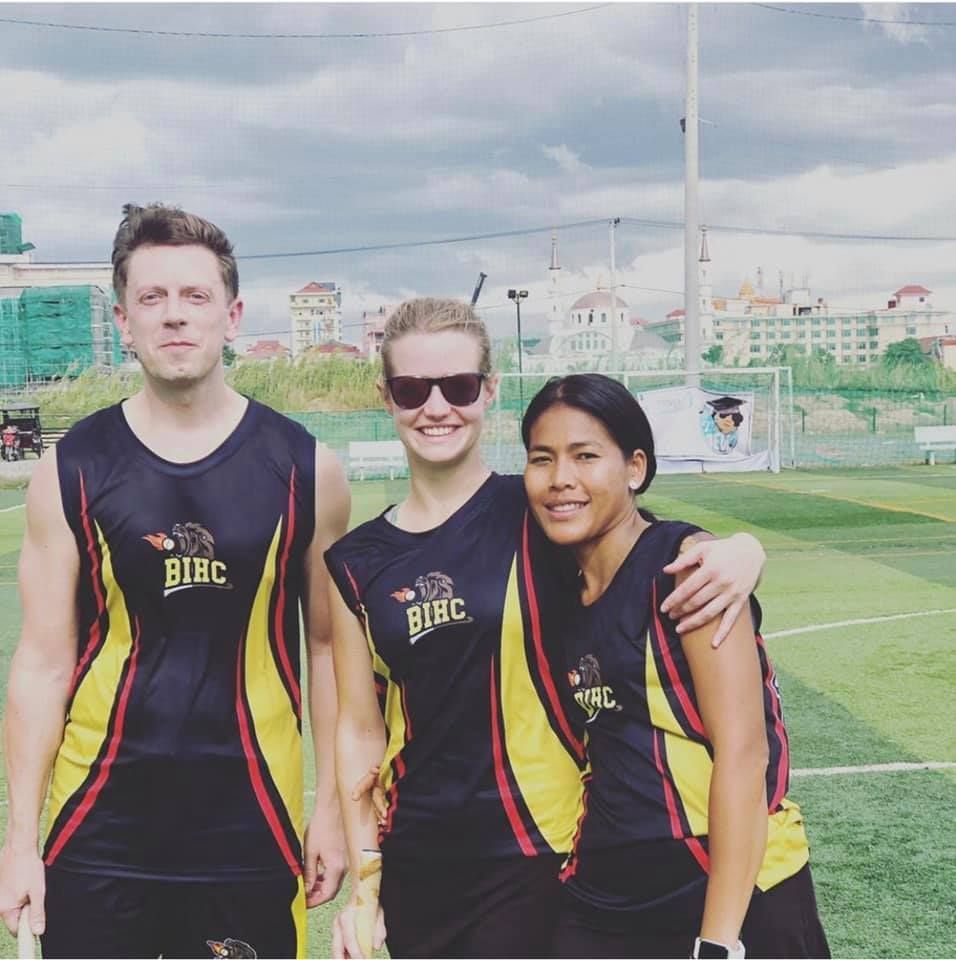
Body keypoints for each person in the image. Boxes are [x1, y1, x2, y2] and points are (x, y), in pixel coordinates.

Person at [325, 298, 769, 960]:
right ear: (386, 396)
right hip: (419, 861)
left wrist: (743, 549)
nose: (436, 406)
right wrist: (365, 887)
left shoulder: (542, 506)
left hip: (545, 854)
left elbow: (652, 544)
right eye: (413, 389)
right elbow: (361, 730)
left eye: (460, 386)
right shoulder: (356, 562)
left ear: (490, 391)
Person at [0, 203, 349, 959]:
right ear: (123, 321)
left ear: (232, 313)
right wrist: (19, 841)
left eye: (195, 297)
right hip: (99, 820)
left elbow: (328, 653)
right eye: (152, 300)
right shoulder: (73, 467)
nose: (175, 318)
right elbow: (41, 662)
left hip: (250, 816)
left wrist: (332, 813)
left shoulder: (305, 469)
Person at [521, 373, 829, 960]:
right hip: (611, 882)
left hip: (729, 880)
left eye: (586, 456)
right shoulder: (560, 581)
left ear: (634, 468)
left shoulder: (689, 570)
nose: (561, 478)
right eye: (543, 458)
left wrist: (718, 942)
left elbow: (745, 751)